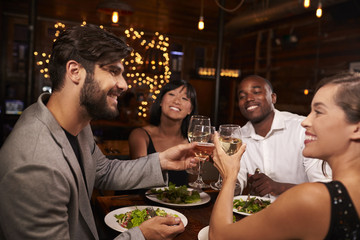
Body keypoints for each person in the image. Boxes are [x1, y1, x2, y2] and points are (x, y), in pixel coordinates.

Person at [0, 24, 198, 240]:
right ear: (75, 71)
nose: (124, 84)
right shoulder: (35, 166)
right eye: (113, 71)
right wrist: (141, 235)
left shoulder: (75, 122)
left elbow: (104, 172)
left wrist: (162, 161)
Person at [210, 72, 360, 239]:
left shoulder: (311, 198)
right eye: (242, 95)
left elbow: (219, 236)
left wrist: (229, 175)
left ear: (356, 128)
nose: (305, 121)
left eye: (318, 111)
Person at [236, 75, 331, 197]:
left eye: (256, 92)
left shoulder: (302, 129)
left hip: (302, 212)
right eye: (242, 96)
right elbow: (236, 187)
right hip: (259, 213)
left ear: (273, 98)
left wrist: (278, 187)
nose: (249, 98)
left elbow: (324, 189)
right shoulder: (238, 138)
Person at [128, 79, 197, 186]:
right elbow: (140, 174)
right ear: (160, 101)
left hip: (179, 202)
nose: (177, 101)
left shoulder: (191, 143)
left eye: (184, 98)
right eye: (172, 94)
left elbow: (193, 185)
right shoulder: (140, 135)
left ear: (190, 110)